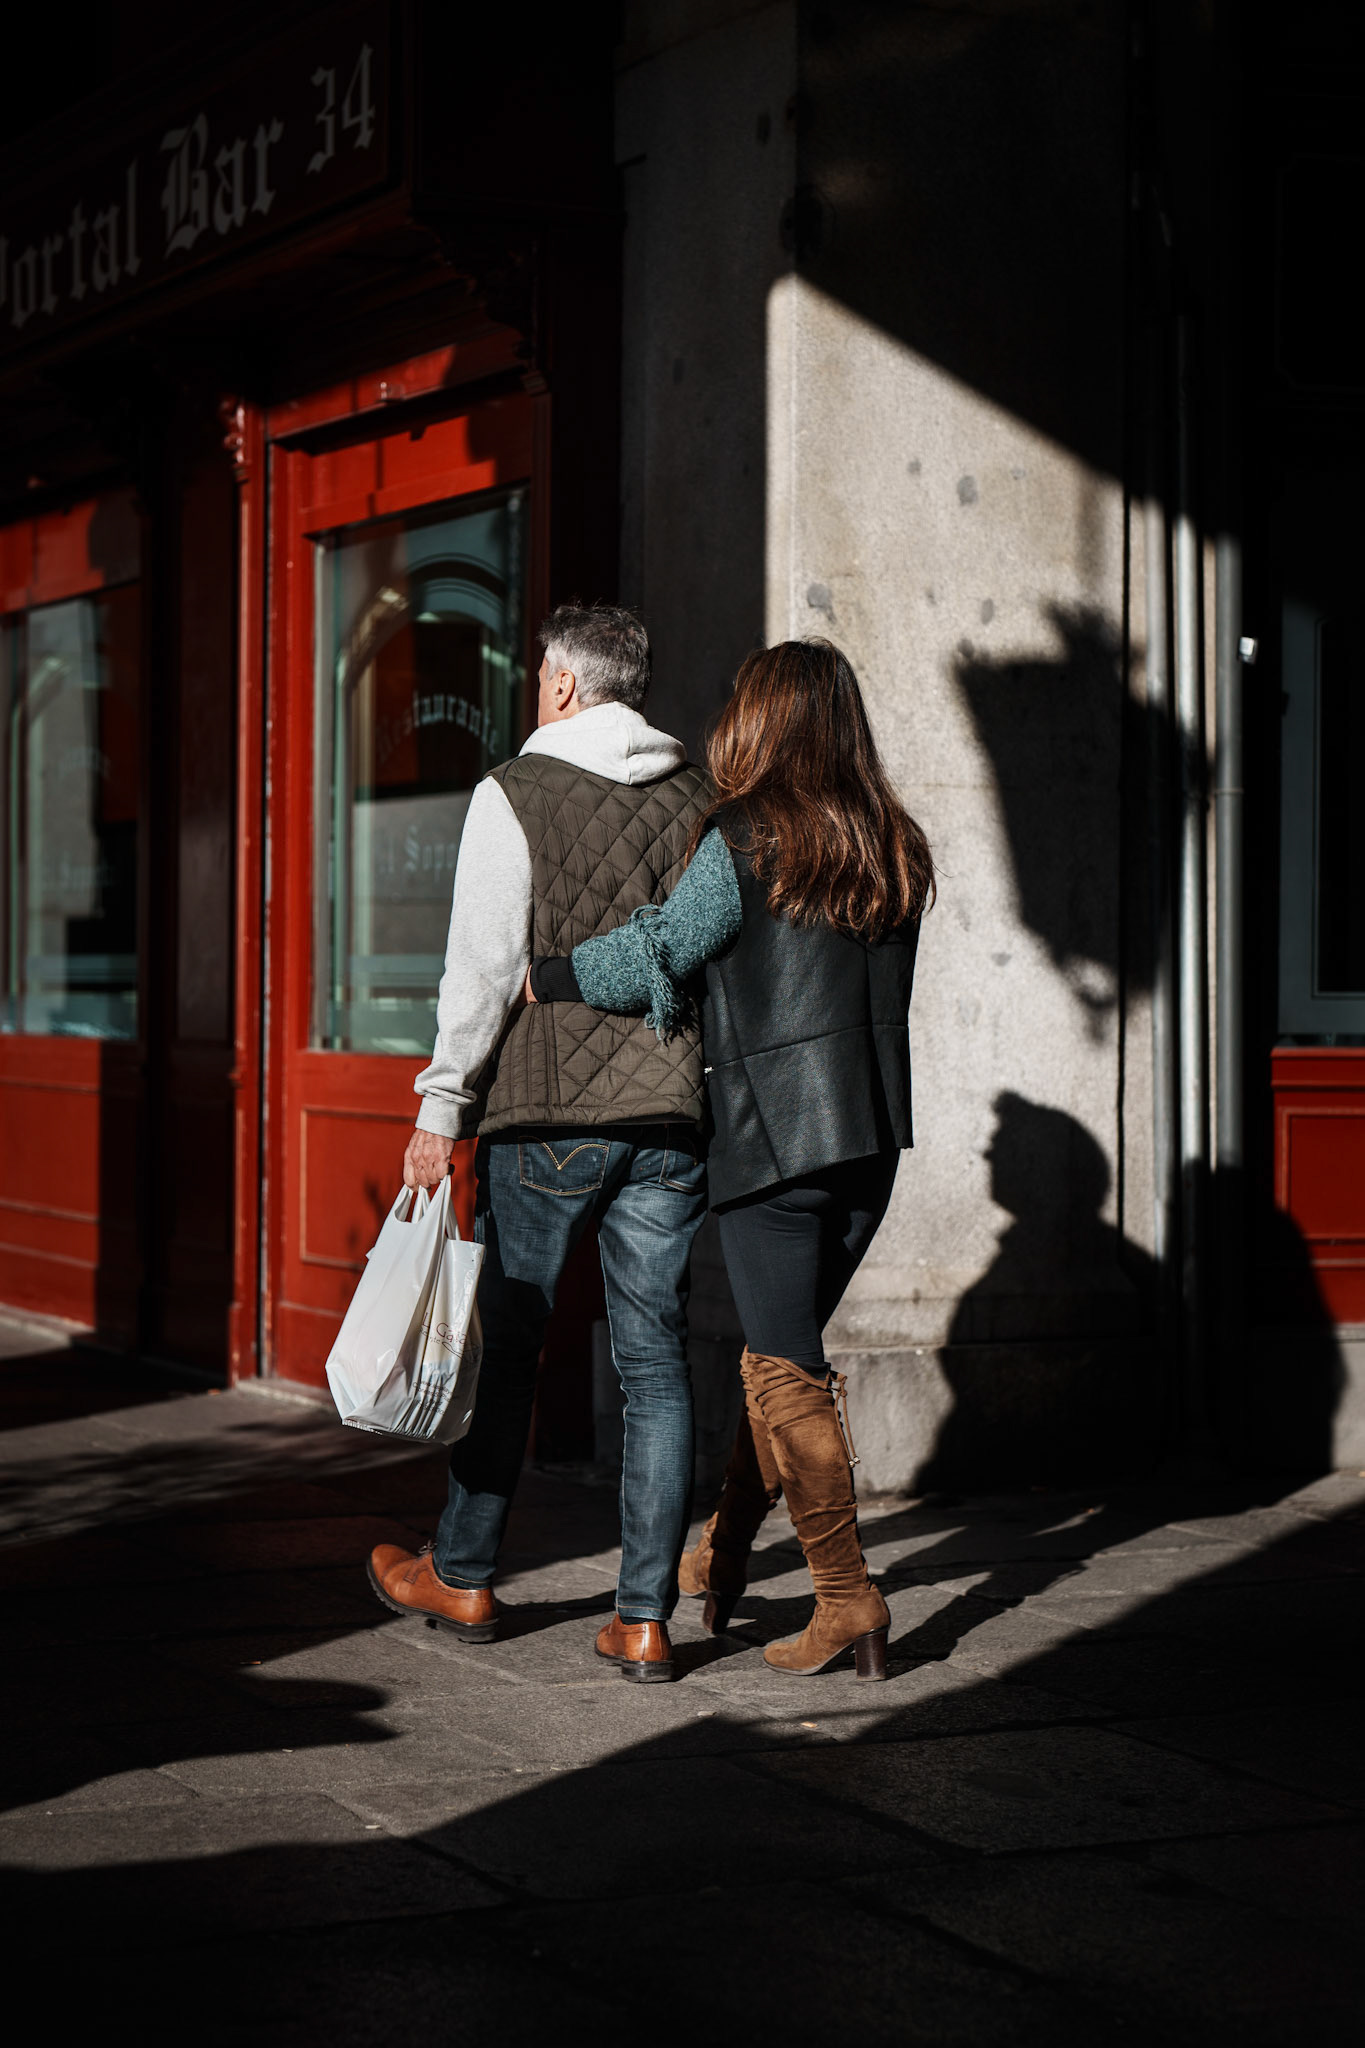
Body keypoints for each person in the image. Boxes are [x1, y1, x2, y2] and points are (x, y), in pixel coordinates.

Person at [529, 638, 934, 1681]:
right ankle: (722, 1556)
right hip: (869, 1141)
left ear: (762, 722)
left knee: (781, 1366)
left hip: (774, 1148)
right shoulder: (894, 843)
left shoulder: (748, 837)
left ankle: (848, 1598)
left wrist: (555, 973)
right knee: (778, 1349)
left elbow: (659, 947)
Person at [367, 605, 712, 1684]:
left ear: (563, 685)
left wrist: (439, 1109)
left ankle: (464, 1570)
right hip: (666, 1115)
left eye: (537, 680)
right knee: (656, 1364)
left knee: (511, 1348)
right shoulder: (699, 794)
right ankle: (646, 1617)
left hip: (546, 1113)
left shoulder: (512, 791)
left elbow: (480, 968)